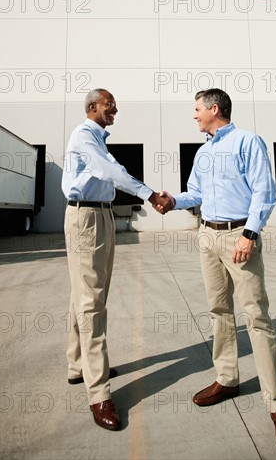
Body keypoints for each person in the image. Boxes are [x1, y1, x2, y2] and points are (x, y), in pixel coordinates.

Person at [156, 88, 276, 454]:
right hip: (208, 236)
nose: (194, 116)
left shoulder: (248, 142)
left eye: (196, 110)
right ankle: (227, 379)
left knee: (257, 317)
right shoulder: (203, 153)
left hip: (239, 236)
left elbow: (264, 193)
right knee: (219, 312)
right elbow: (196, 195)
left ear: (213, 109)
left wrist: (250, 234)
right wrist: (174, 201)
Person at [61, 88, 171, 431]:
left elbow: (107, 172)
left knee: (86, 294)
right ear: (93, 107)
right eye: (110, 105)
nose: (115, 110)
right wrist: (150, 194)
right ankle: (99, 393)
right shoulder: (84, 137)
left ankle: (78, 365)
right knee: (91, 301)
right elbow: (111, 171)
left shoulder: (97, 137)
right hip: (86, 219)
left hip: (101, 216)